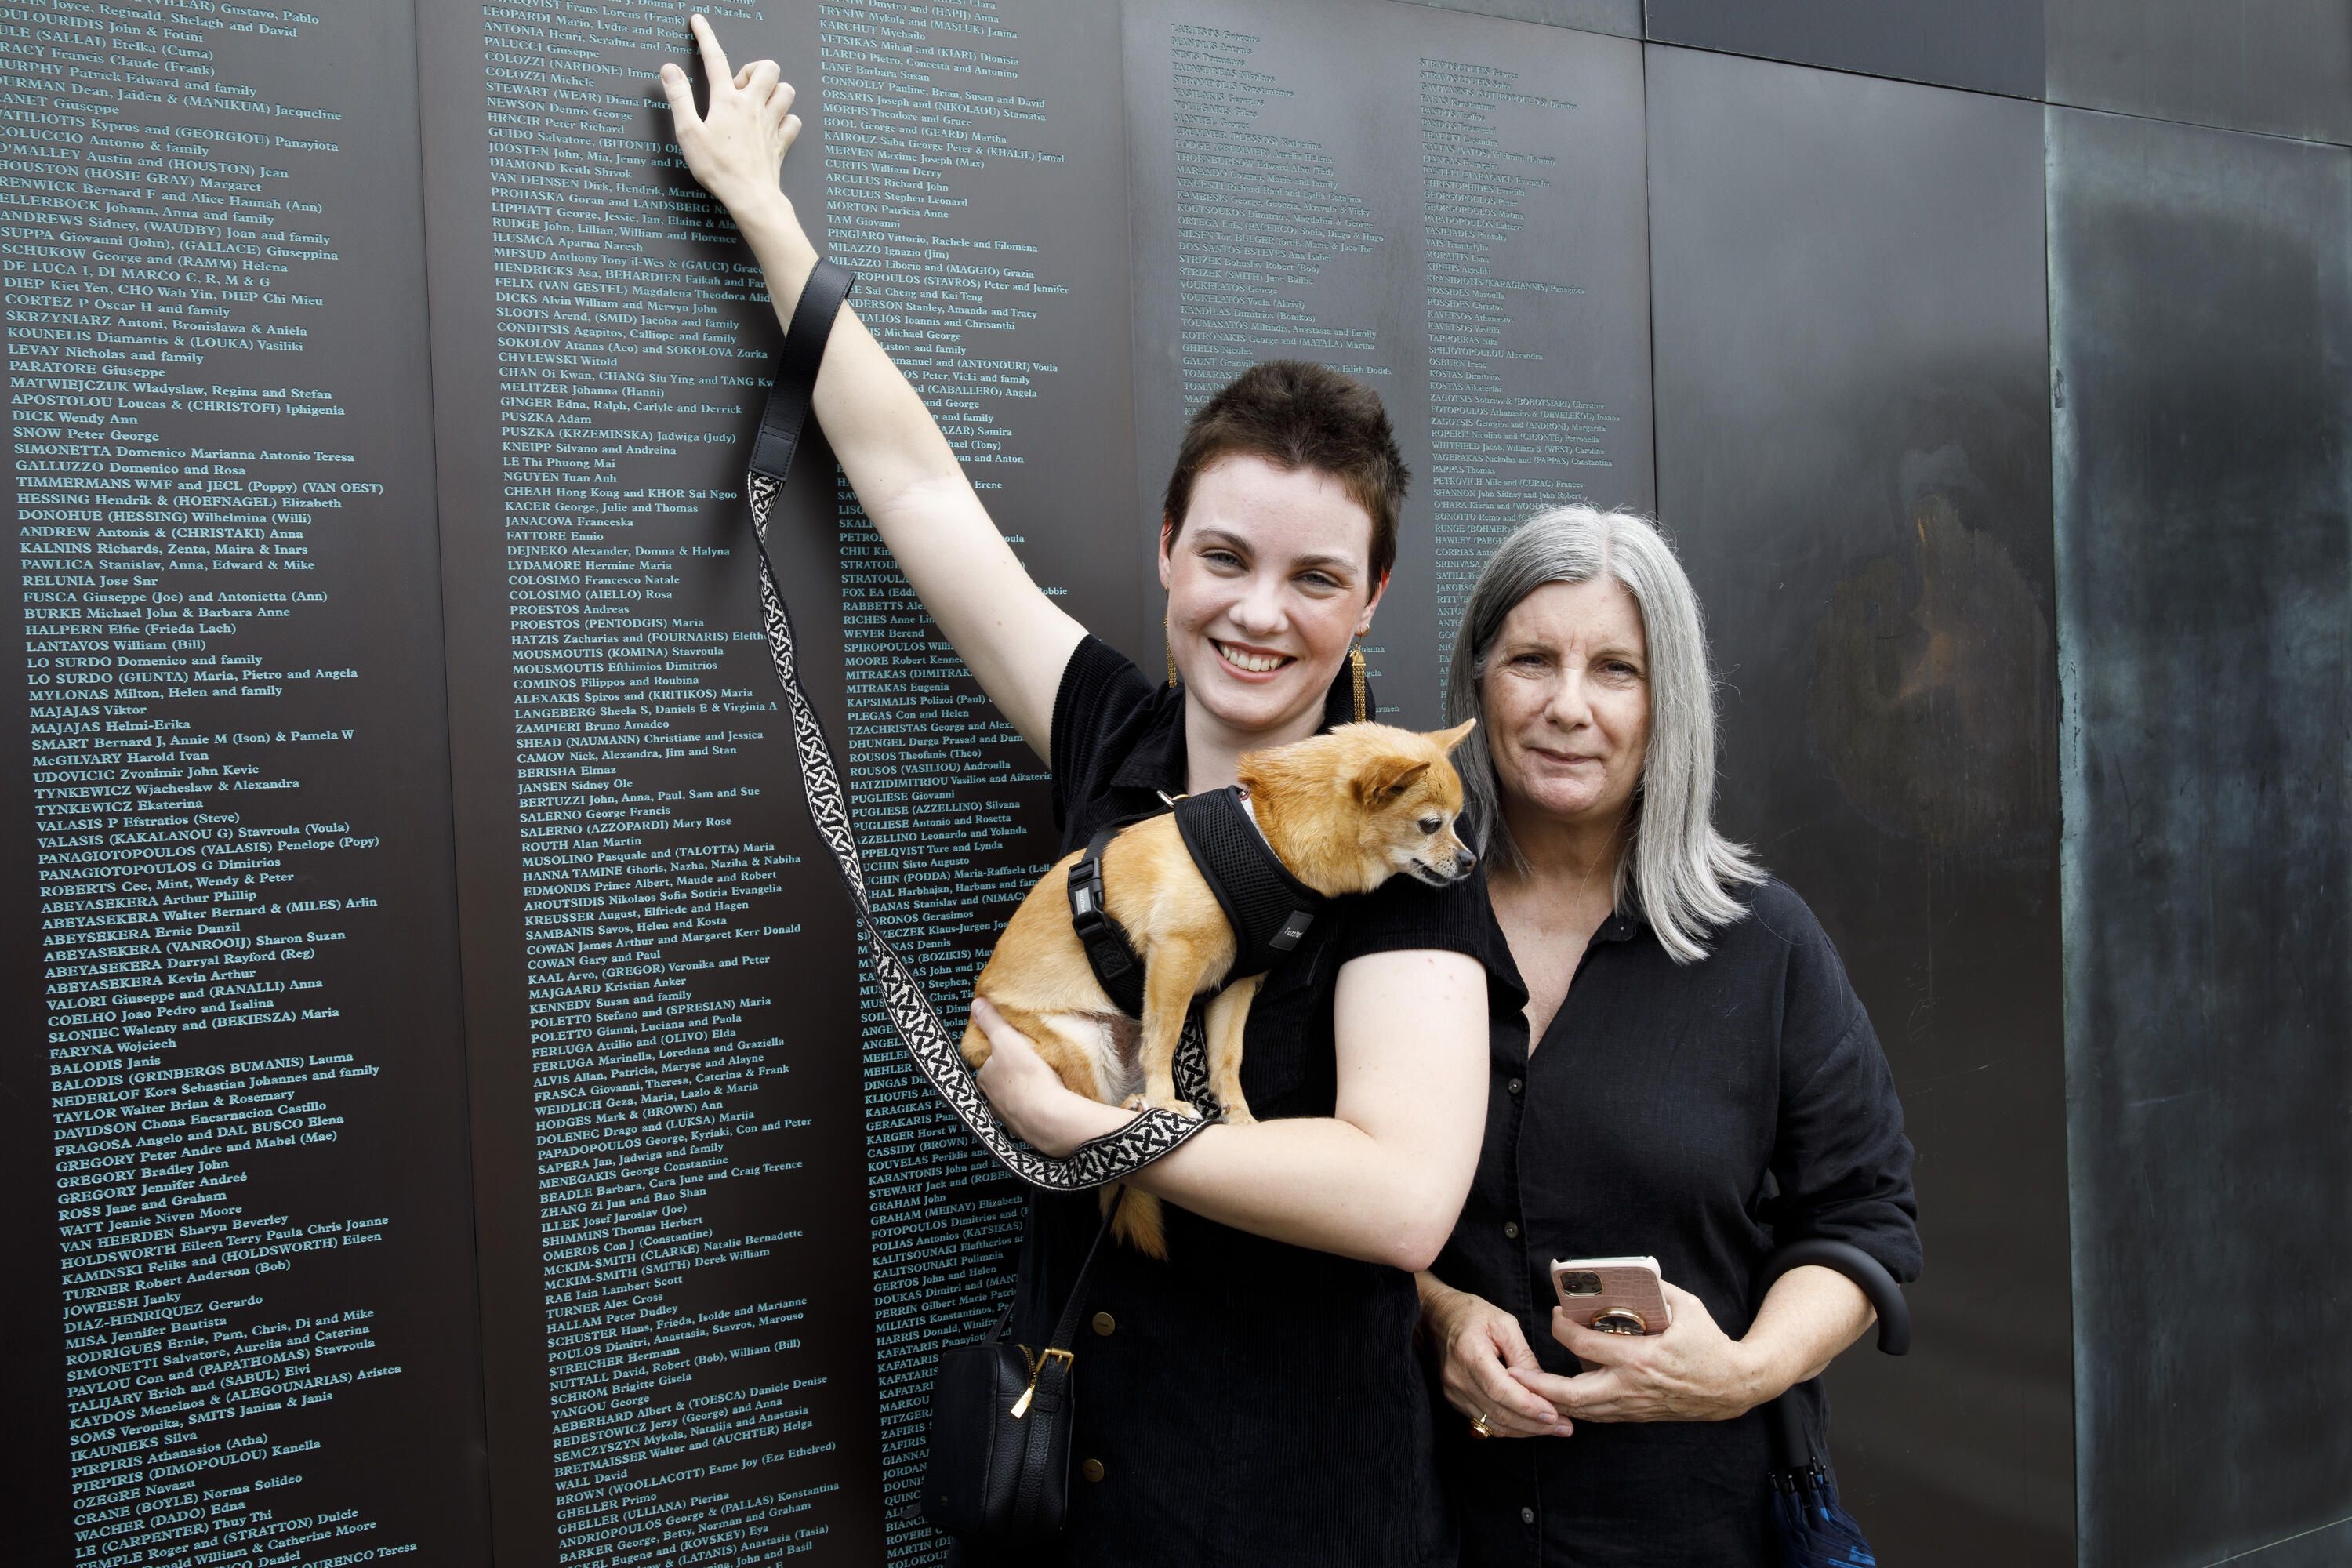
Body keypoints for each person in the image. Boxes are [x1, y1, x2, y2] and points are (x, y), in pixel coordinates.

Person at [660, 19, 1508, 1564]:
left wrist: (1090, 1124)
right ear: (1170, 550)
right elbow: (915, 484)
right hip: (1079, 1491)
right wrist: (764, 212)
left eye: (1316, 577)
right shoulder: (1113, 727)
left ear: (1372, 600)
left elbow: (1401, 1198)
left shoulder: (1408, 847)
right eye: (1228, 558)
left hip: (1298, 1522)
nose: (1260, 612)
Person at [1413, 505, 1922, 1564]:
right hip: (1428, 1517)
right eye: (1531, 660)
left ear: (1667, 703)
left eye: (1616, 670)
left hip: (1692, 1528)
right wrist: (1441, 1316)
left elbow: (1866, 1216)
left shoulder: (1761, 945)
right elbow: (1325, 1194)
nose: (1567, 706)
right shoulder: (1394, 926)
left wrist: (1741, 1370)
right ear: (1478, 682)